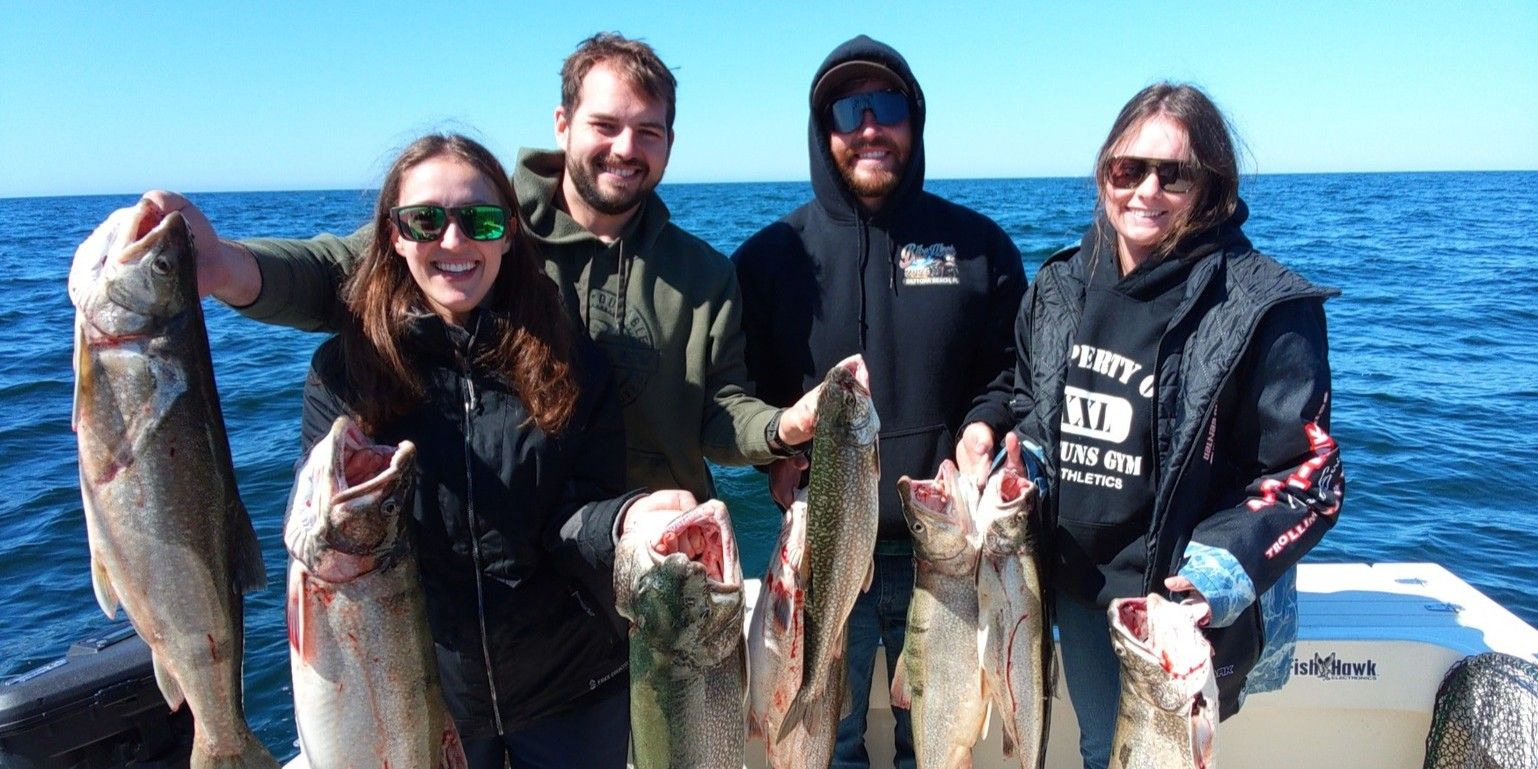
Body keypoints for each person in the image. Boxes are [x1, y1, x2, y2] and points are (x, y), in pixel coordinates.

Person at [146, 32, 819, 505]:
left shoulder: (703, 276)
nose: (626, 148)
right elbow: (336, 273)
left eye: (648, 131)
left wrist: (780, 429)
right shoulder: (477, 226)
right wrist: (224, 266)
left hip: (664, 548)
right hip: (519, 553)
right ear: (563, 123)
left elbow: (718, 415)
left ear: (671, 141)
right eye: (606, 124)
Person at [296, 132, 691, 768]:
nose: (453, 241)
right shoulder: (347, 372)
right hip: (424, 695)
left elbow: (576, 512)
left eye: (478, 220)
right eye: (425, 219)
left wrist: (626, 520)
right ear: (393, 235)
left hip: (573, 685)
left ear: (508, 234)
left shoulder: (571, 361)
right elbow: (324, 546)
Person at [996, 82, 1346, 769]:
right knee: (1104, 749)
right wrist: (1020, 463)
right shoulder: (1061, 286)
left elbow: (1310, 478)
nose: (1145, 190)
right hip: (1077, 583)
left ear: (1211, 185)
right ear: (1104, 174)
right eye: (1127, 169)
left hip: (1177, 604)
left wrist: (1211, 581)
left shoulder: (1265, 305)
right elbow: (1030, 403)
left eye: (1173, 174)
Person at [731, 35, 1025, 768]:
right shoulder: (769, 258)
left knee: (937, 739)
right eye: (848, 108)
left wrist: (982, 430)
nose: (870, 126)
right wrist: (774, 449)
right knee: (828, 741)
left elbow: (1009, 370)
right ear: (822, 126)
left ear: (913, 122)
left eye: (887, 106)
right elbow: (735, 392)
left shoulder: (979, 246)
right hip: (821, 546)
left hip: (944, 551)